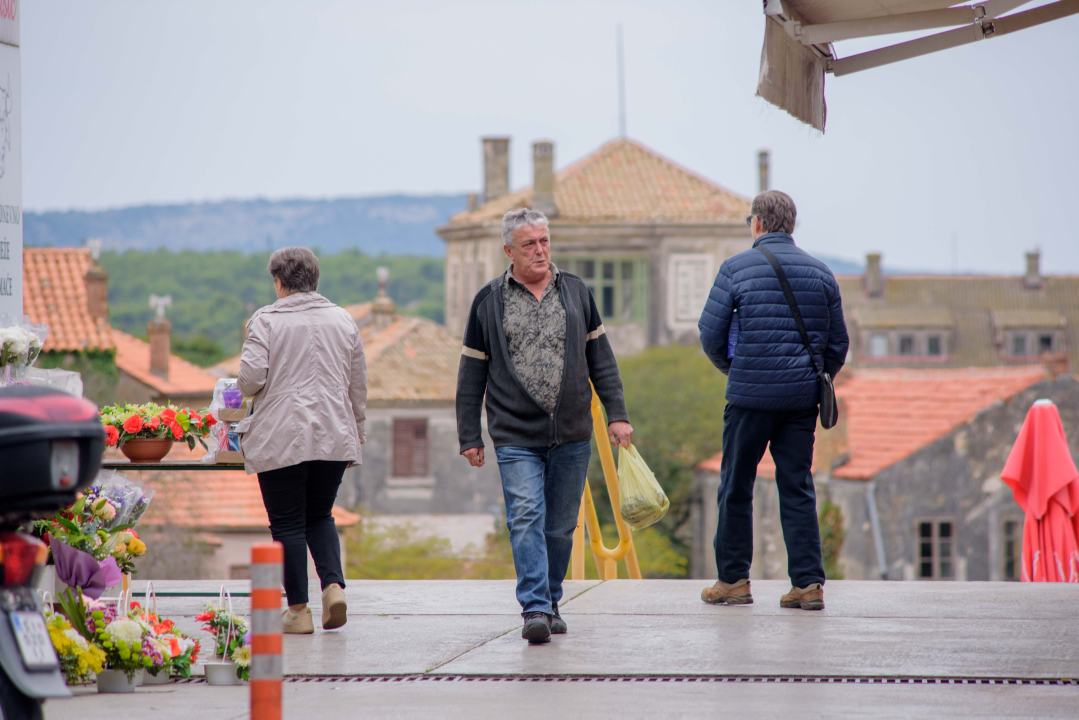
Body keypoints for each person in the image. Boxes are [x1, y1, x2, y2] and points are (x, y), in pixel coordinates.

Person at [456, 208, 633, 644]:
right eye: (530, 244)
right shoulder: (487, 301)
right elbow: (471, 374)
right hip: (514, 433)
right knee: (526, 514)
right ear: (508, 251)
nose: (540, 250)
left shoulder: (575, 291)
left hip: (572, 432)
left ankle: (551, 600)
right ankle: (534, 606)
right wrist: (469, 435)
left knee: (560, 525)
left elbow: (602, 360)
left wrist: (618, 414)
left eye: (544, 241)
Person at [697, 191, 848, 611]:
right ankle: (808, 585)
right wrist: (814, 379)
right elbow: (838, 344)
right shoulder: (822, 273)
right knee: (797, 486)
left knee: (735, 486)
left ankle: (733, 581)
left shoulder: (735, 269)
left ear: (757, 224)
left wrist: (739, 369)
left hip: (749, 398)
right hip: (801, 402)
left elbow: (710, 335)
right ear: (791, 225)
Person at [236, 246, 367, 634]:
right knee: (320, 515)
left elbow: (250, 380)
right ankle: (333, 587)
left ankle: (297, 611)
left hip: (281, 435)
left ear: (278, 282)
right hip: (334, 432)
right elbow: (357, 385)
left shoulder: (265, 321)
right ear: (315, 279)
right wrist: (357, 432)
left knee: (288, 524)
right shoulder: (344, 320)